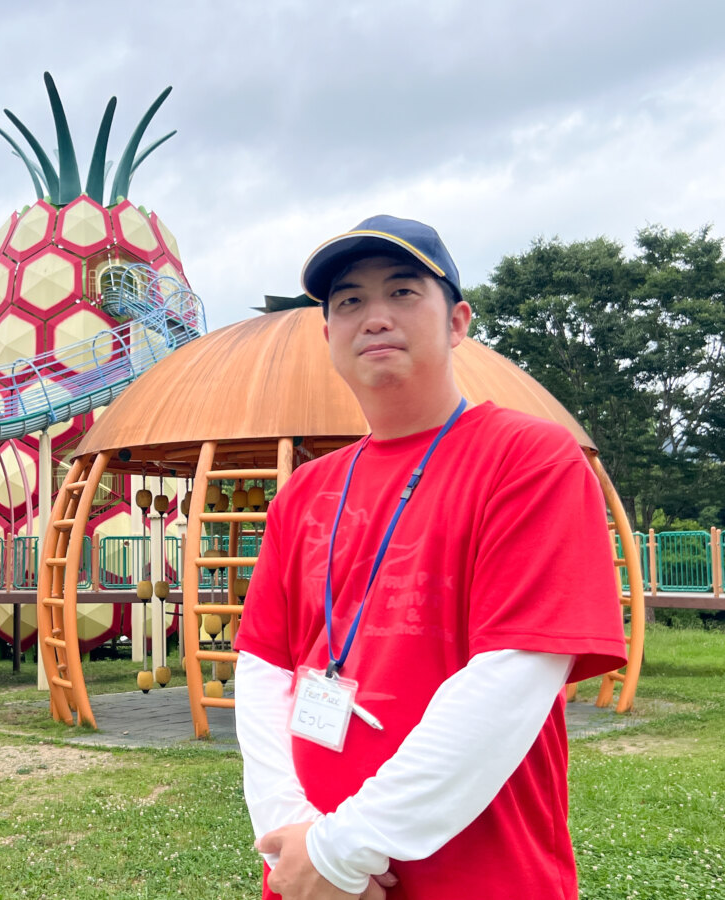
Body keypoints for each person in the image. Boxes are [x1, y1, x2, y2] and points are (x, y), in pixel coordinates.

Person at [233, 215, 628, 900]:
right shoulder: (305, 491)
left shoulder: (530, 459)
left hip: (480, 876)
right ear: (328, 337)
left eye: (403, 292)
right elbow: (263, 666)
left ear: (457, 322)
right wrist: (289, 837)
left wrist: (341, 850)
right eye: (349, 301)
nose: (374, 317)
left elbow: (515, 676)